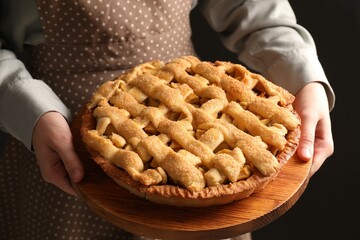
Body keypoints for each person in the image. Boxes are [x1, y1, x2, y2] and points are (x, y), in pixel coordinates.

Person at [0, 0, 334, 239]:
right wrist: (30, 109)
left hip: (199, 103)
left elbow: (253, 7)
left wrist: (301, 73)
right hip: (61, 139)